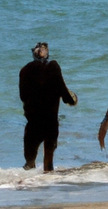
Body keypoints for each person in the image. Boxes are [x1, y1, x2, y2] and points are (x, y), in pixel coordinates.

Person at [19, 42, 78, 172]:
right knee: (48, 164)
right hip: (50, 122)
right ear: (47, 54)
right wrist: (73, 99)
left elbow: (23, 97)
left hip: (33, 122)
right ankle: (48, 188)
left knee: (29, 164)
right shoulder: (53, 67)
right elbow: (65, 95)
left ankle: (25, 188)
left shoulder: (24, 71)